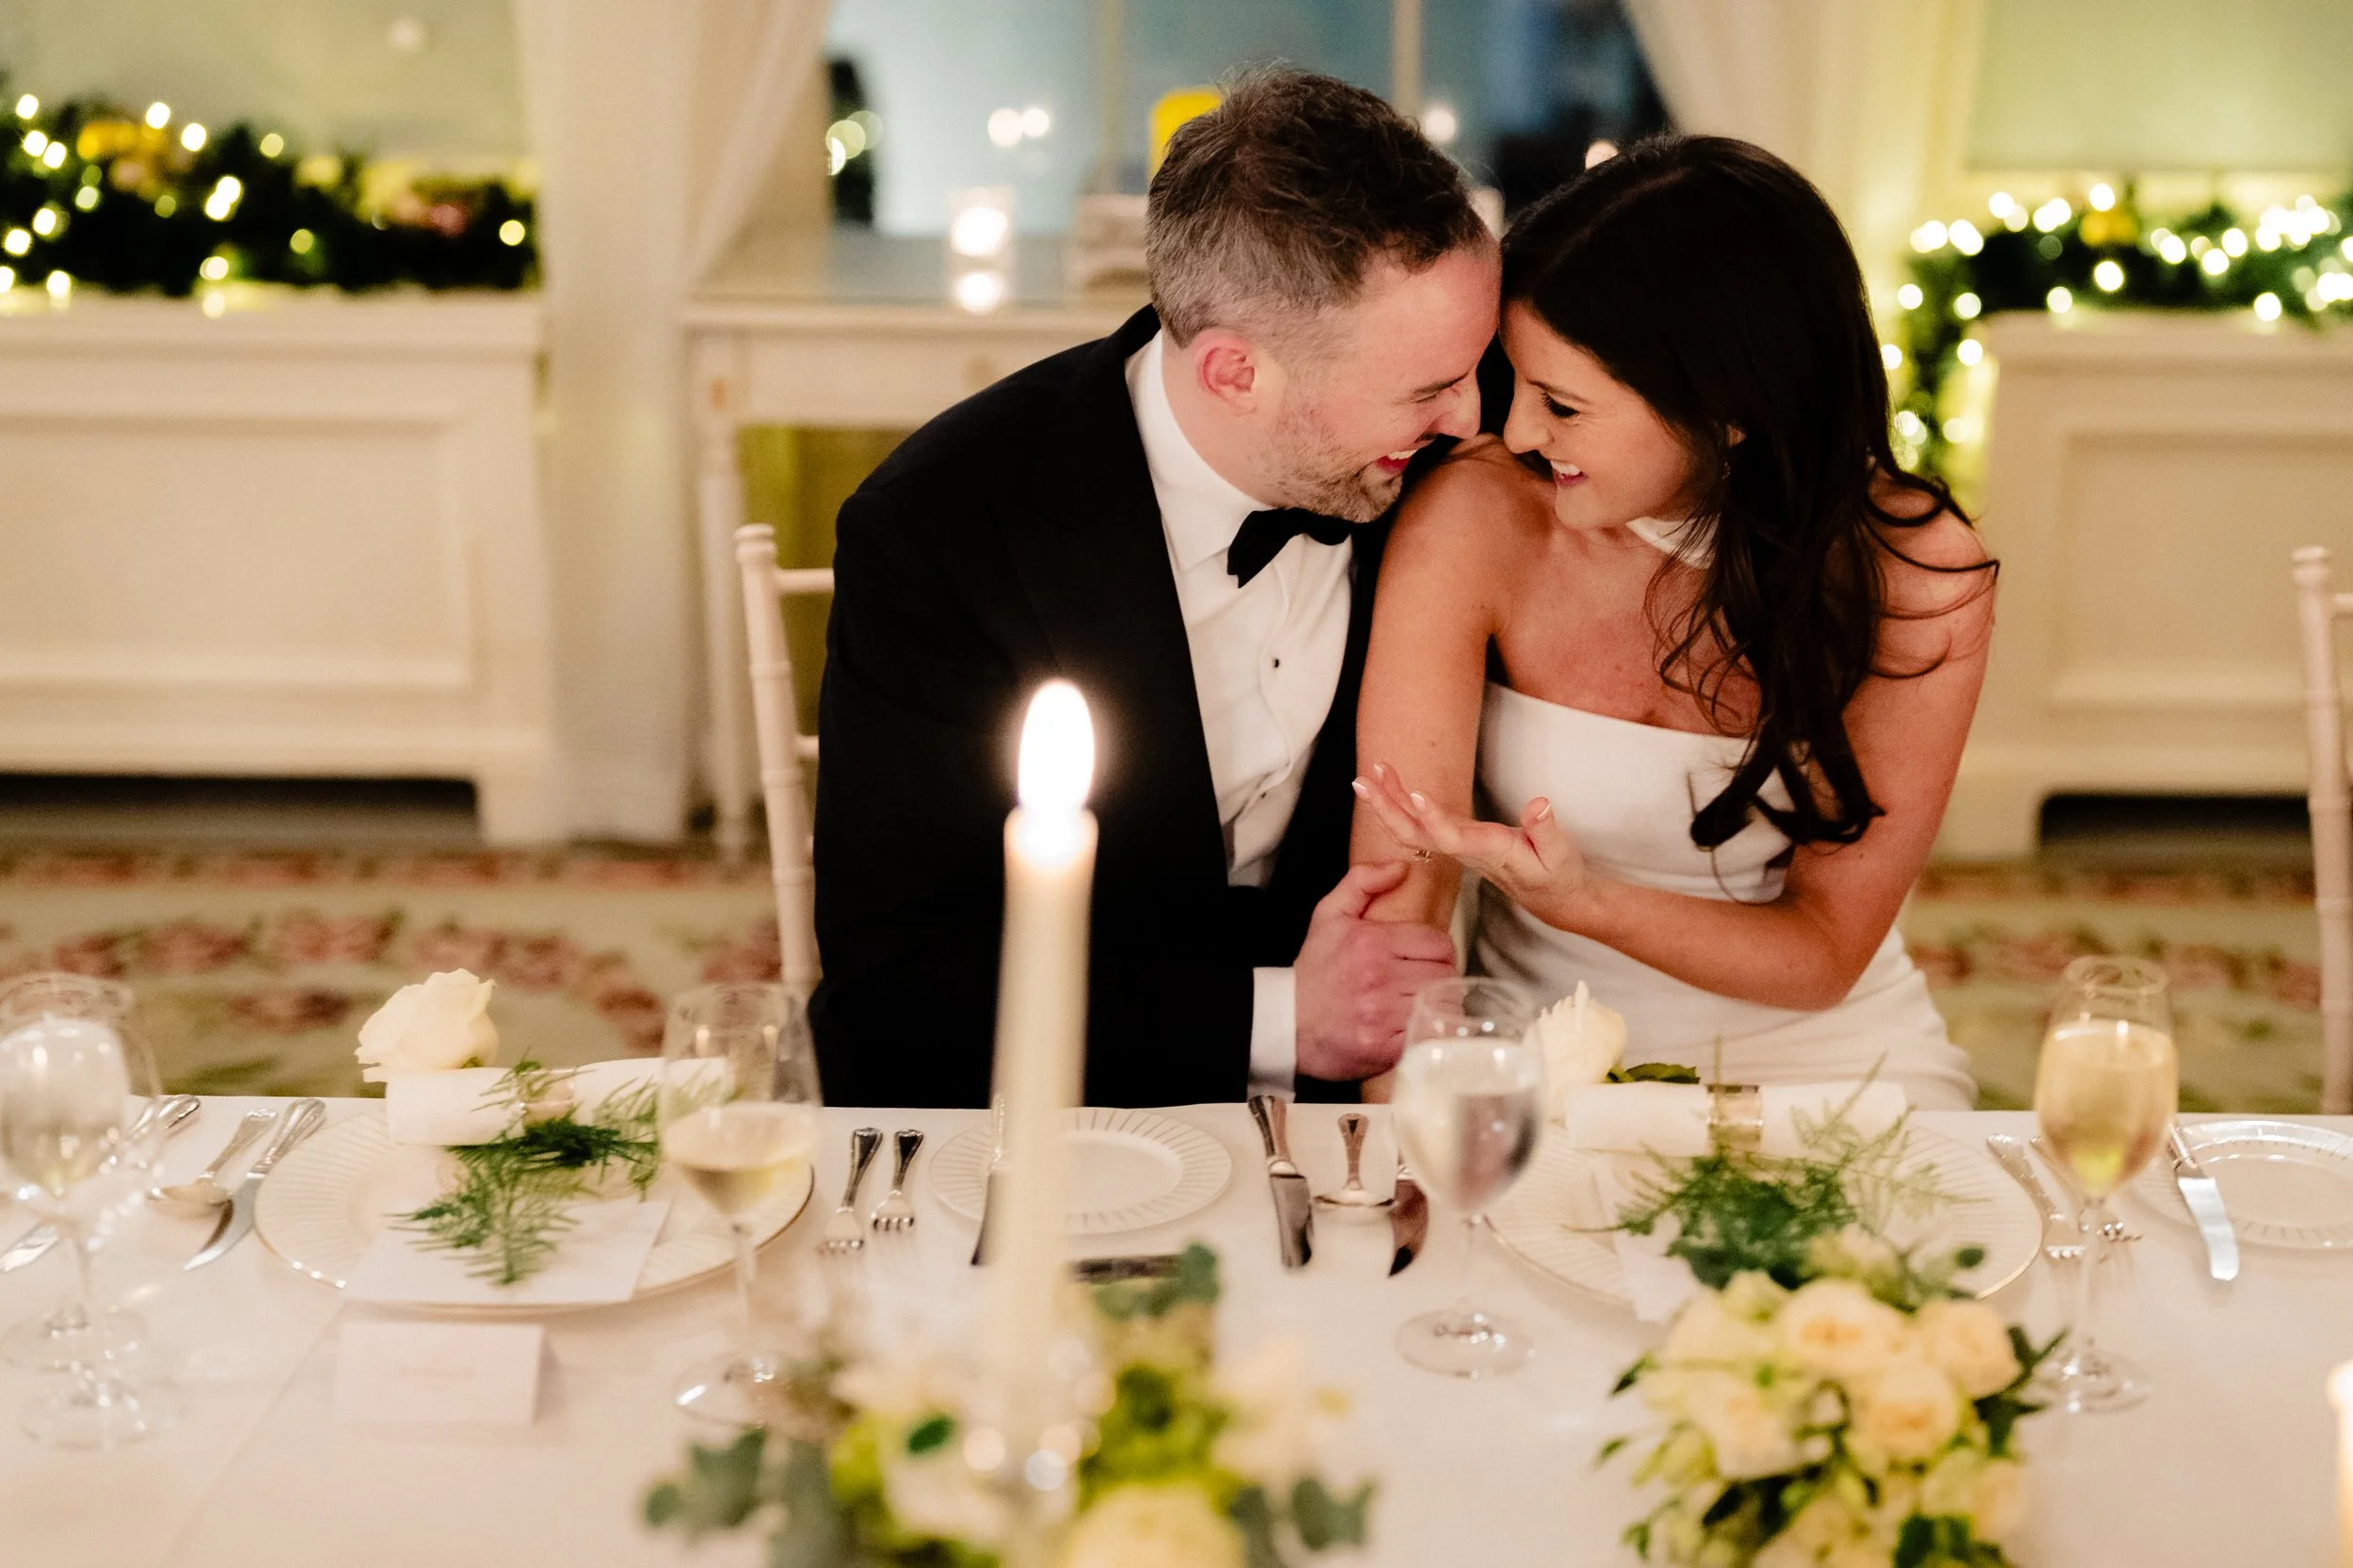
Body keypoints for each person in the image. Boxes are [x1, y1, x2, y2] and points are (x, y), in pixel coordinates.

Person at [812, 70, 1497, 1109]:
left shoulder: (1438, 486)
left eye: (1473, 366)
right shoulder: (939, 530)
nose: (1471, 419)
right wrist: (1281, 1018)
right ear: (1234, 373)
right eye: (1428, 388)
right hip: (1019, 1120)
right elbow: (899, 979)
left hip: (1321, 1140)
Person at [1351, 136, 1992, 1109]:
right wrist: (1407, 1120)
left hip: (1828, 1061)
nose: (1517, 432)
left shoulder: (1914, 569)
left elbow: (1825, 950)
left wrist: (1587, 901)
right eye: (1512, 383)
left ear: (1727, 407)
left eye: (1561, 403)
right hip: (1538, 1052)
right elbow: (1405, 881)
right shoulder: (1478, 517)